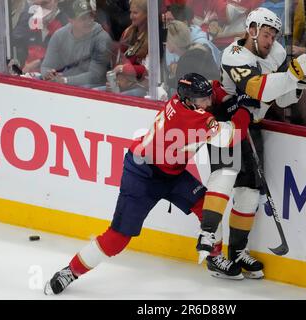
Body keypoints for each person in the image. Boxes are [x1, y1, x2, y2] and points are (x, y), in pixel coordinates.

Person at [44, 73, 253, 295]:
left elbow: (211, 90)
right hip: (141, 176)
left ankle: (214, 258)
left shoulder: (181, 101)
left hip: (171, 172)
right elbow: (233, 134)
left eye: (207, 98)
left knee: (207, 206)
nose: (208, 103)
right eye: (203, 100)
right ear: (190, 101)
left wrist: (229, 95)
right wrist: (244, 110)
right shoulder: (192, 118)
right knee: (118, 238)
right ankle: (70, 271)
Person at [196, 7, 306, 280]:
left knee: (249, 193)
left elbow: (284, 98)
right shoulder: (233, 54)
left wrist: (302, 82)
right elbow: (256, 88)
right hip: (226, 124)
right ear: (251, 30)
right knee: (223, 182)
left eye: (274, 35)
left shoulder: (275, 53)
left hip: (253, 124)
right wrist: (293, 76)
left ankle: (237, 251)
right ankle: (213, 256)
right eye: (266, 34)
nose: (270, 41)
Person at [40, 0, 112, 87]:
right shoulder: (59, 35)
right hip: (63, 82)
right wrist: (48, 74)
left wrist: (66, 80)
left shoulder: (102, 39)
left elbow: (95, 75)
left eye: (91, 17)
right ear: (71, 20)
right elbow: (46, 65)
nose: (89, 21)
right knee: (37, 79)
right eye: (83, 18)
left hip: (91, 87)